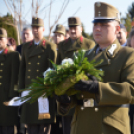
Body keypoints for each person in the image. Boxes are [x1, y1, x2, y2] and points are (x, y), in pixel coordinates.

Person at [57, 2, 134, 134]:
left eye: (104, 25)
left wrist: (98, 88)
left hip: (108, 128)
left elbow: (131, 90)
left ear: (117, 29)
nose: (98, 28)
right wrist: (65, 100)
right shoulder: (80, 56)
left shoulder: (127, 55)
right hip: (81, 126)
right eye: (95, 24)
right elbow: (75, 97)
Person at [56, 17, 95, 134]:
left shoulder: (89, 44)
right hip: (67, 93)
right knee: (68, 127)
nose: (73, 31)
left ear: (81, 29)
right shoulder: (62, 45)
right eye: (71, 28)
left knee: (85, 126)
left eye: (75, 28)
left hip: (85, 91)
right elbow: (57, 67)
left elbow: (93, 68)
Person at [19, 17, 57, 134]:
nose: (35, 30)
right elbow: (22, 70)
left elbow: (54, 70)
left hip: (44, 93)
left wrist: (50, 90)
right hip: (29, 91)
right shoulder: (26, 47)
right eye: (34, 28)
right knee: (30, 125)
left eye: (38, 28)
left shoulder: (50, 47)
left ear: (43, 29)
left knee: (44, 127)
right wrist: (21, 90)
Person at [0, 28, 20, 134]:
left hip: (7, 97)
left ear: (6, 40)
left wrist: (12, 96)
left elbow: (16, 78)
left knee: (7, 128)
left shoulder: (13, 55)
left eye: (1, 38)